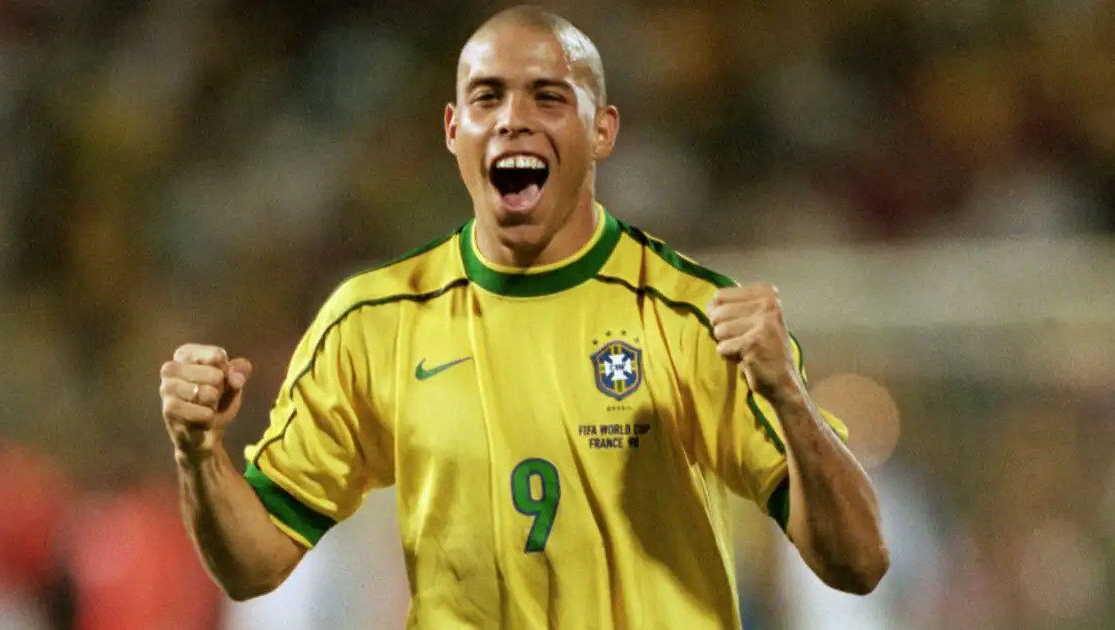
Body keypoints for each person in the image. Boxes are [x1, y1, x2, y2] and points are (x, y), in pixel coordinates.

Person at [157, 6, 889, 628]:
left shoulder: (689, 317)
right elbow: (253, 566)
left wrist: (790, 400)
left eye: (548, 97)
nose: (513, 120)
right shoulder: (370, 324)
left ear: (602, 130)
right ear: (453, 129)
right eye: (487, 98)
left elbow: (857, 563)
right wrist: (200, 451)